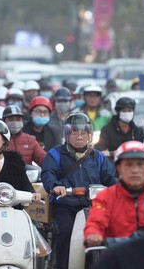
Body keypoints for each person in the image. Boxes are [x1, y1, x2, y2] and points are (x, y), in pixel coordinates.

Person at [41, 113, 118, 269]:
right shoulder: (55, 154)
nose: (79, 136)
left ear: (89, 135)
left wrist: (118, 190)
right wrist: (55, 186)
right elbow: (47, 173)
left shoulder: (98, 156)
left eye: (83, 132)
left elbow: (110, 177)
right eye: (74, 132)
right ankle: (63, 265)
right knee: (66, 231)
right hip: (65, 204)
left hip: (94, 205)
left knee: (111, 231)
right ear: (67, 135)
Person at [84, 141, 144, 246]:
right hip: (117, 255)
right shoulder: (105, 196)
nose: (135, 170)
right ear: (118, 168)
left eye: (140, 164)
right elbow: (95, 221)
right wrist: (93, 233)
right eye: (128, 165)